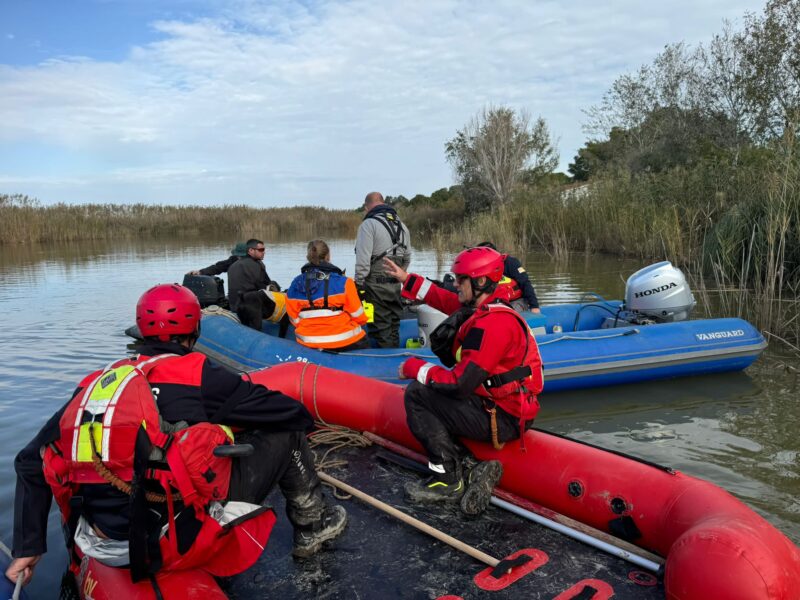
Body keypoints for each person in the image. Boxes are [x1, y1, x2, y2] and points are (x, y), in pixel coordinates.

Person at [5, 284, 347, 589]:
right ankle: (314, 528)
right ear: (195, 328)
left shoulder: (97, 383)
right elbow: (287, 412)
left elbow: (29, 461)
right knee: (288, 433)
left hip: (101, 539)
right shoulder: (200, 375)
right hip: (173, 543)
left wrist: (28, 547)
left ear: (141, 329)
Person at [382, 247, 543, 516]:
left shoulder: (493, 326)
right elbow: (442, 298)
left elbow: (459, 384)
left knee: (418, 395)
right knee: (433, 391)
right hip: (497, 404)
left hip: (504, 418)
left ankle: (447, 479)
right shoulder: (486, 306)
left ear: (480, 282)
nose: (455, 284)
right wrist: (406, 279)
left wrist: (416, 368)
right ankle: (468, 464)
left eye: (461, 279)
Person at [285, 240, 370, 351]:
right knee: (363, 333)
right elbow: (359, 317)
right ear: (328, 257)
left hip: (308, 341)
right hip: (344, 340)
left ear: (308, 257)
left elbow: (294, 320)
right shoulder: (344, 282)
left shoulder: (295, 283)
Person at [354, 192, 411, 348]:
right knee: (394, 327)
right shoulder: (402, 226)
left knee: (380, 329)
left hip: (375, 287)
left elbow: (363, 261)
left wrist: (358, 284)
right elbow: (407, 259)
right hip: (395, 286)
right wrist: (396, 274)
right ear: (383, 202)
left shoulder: (368, 225)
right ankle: (396, 360)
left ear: (367, 207)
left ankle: (387, 366)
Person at [227, 238, 282, 331]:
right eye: (261, 250)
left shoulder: (232, 264)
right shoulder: (257, 265)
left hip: (234, 305)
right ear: (251, 251)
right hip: (250, 305)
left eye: (264, 250)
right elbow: (262, 285)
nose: (264, 252)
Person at [477, 242, 541, 314]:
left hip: (515, 301)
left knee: (505, 315)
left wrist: (534, 306)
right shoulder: (478, 269)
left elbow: (525, 283)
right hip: (493, 303)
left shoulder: (510, 263)